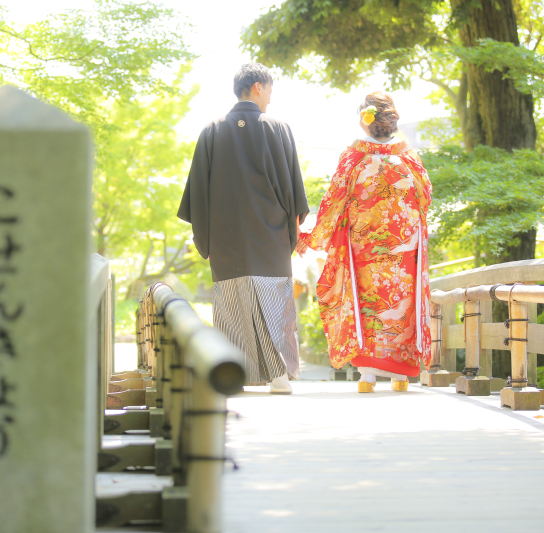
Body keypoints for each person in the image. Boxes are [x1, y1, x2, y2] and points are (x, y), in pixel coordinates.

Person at [177, 63, 309, 394]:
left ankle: (234, 376)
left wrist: (206, 240)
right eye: (270, 90)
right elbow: (293, 192)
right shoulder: (278, 128)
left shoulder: (211, 130)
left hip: (226, 238)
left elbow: (198, 193)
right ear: (257, 87)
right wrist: (290, 235)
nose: (270, 99)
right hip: (271, 236)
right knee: (275, 304)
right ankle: (279, 377)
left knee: (232, 308)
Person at [296, 91, 432, 393]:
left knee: (369, 302)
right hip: (404, 247)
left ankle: (367, 376)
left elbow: (334, 200)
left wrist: (312, 237)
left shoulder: (355, 156)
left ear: (364, 120)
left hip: (366, 247)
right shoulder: (408, 156)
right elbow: (426, 197)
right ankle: (401, 376)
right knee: (401, 303)